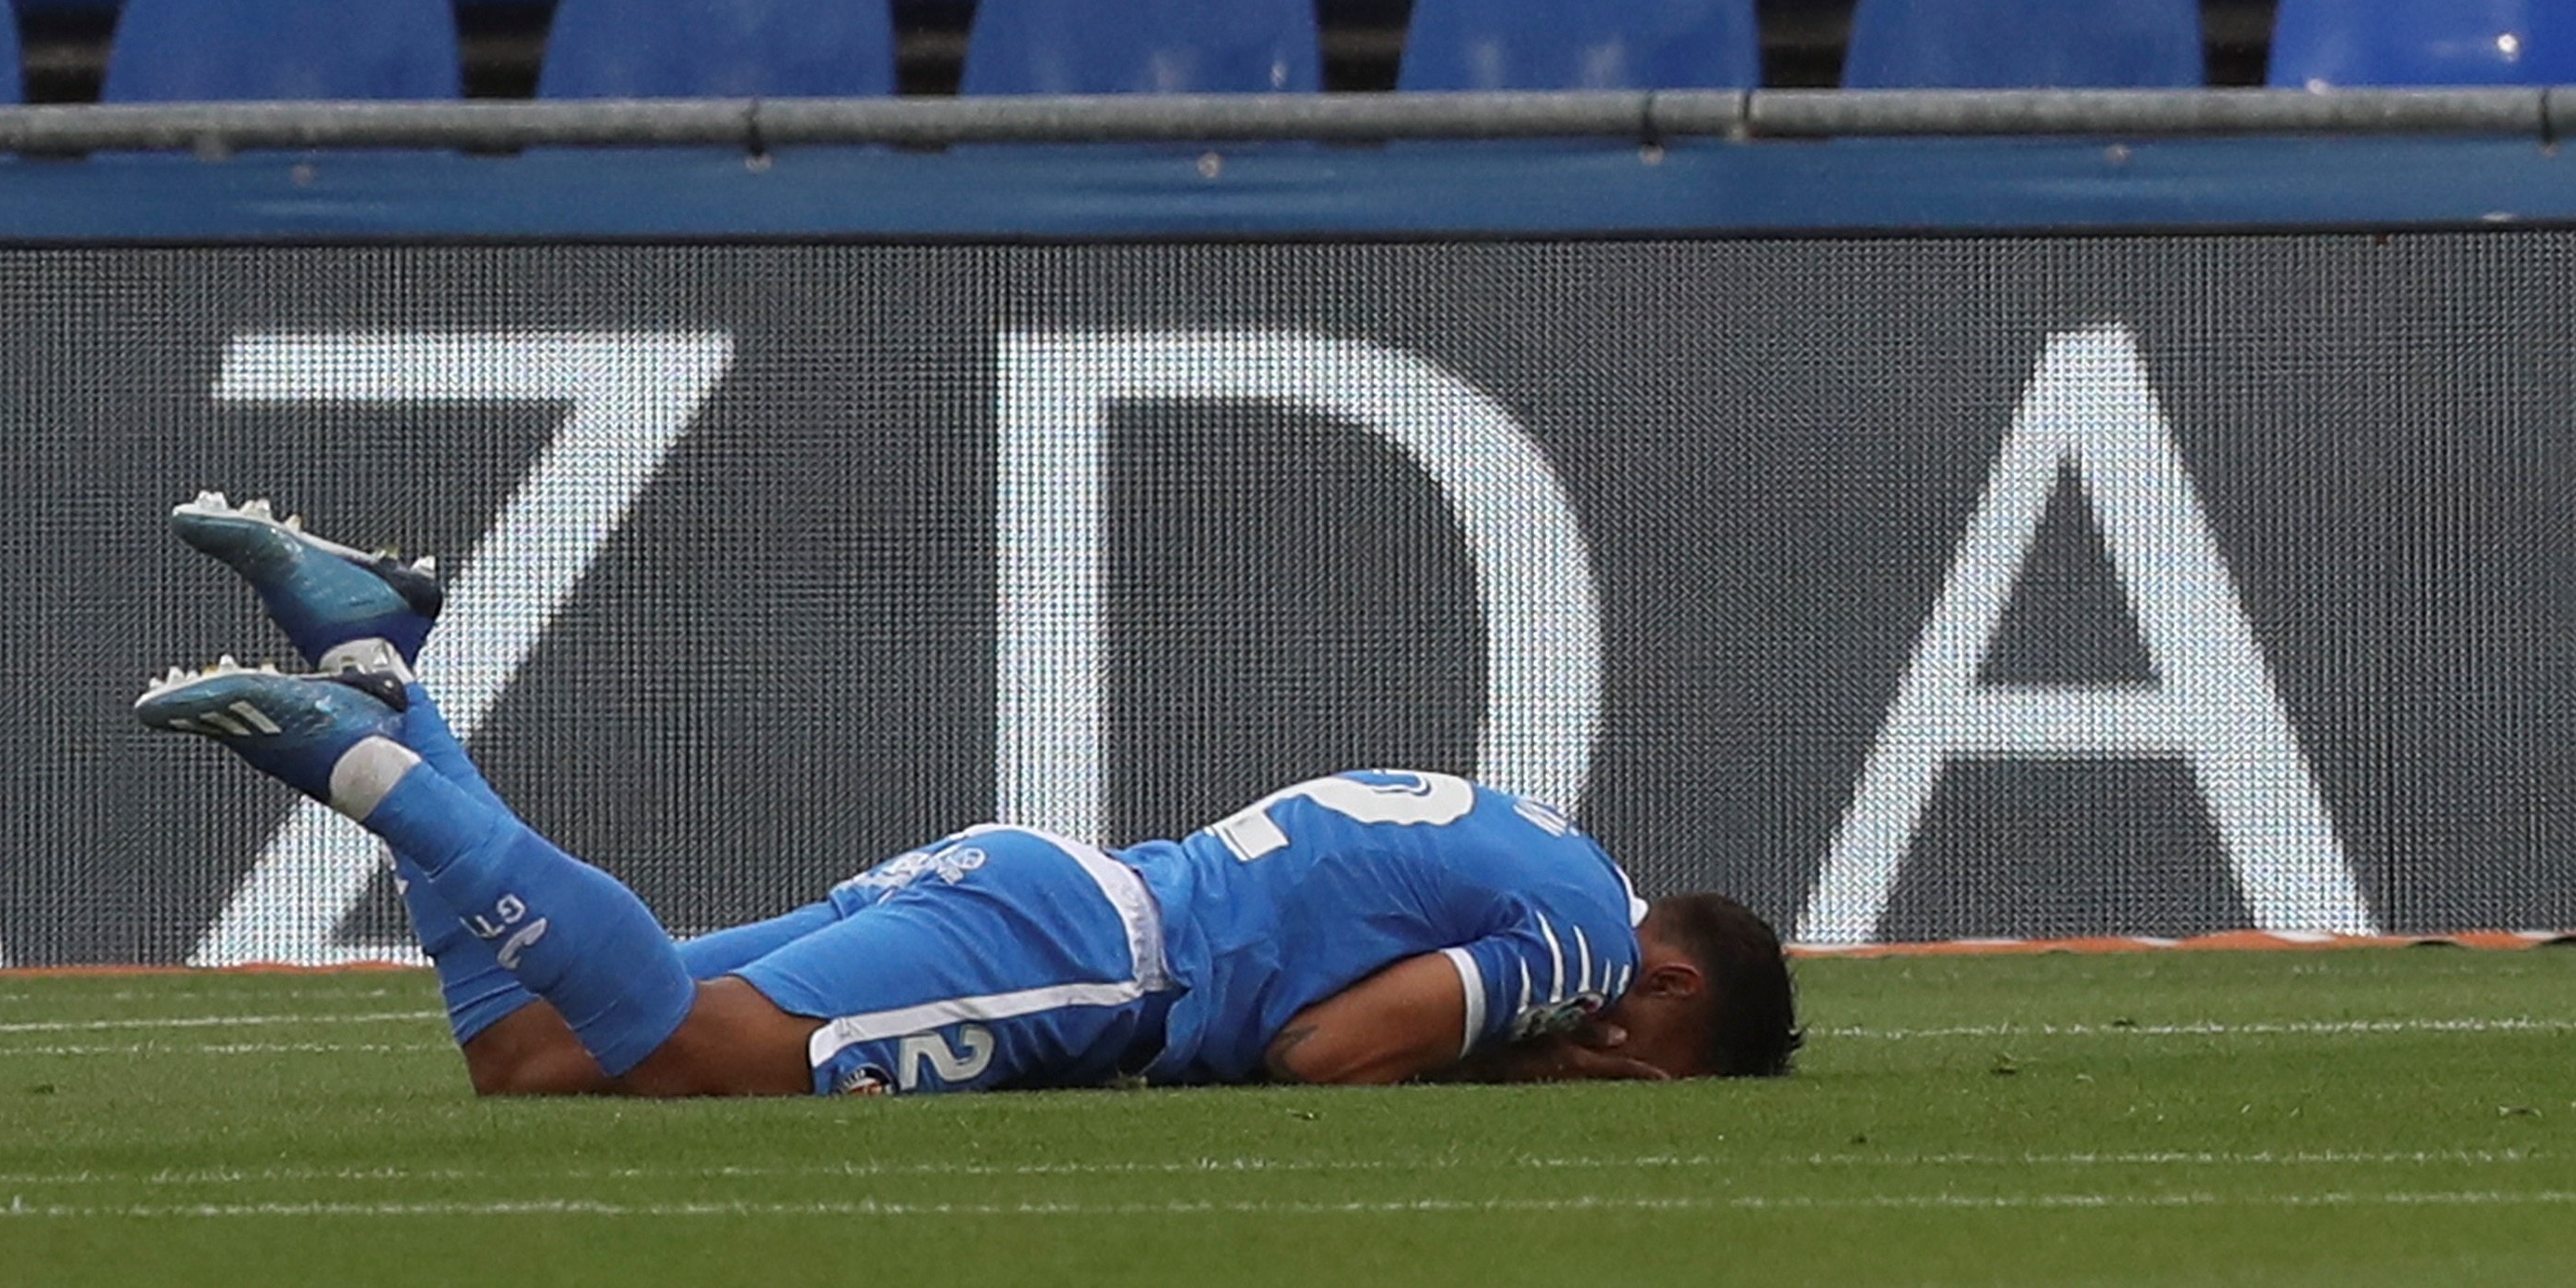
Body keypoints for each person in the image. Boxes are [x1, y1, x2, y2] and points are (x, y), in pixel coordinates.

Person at [135, 493, 1798, 1095]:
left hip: (1047, 894)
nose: (1616, 1074)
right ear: (1661, 985)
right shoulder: (1580, 935)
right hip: (1092, 963)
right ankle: (363, 774)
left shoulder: (1539, 834)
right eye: (1654, 1065)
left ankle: (391, 682)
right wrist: (1511, 1062)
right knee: (687, 1061)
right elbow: (1323, 1051)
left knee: (540, 1051)